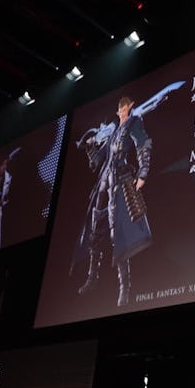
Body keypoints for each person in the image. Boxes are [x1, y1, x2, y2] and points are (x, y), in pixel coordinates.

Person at [72, 96, 153, 307]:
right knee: (94, 231)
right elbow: (98, 161)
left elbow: (143, 143)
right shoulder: (115, 131)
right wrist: (89, 146)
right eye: (120, 110)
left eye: (126, 108)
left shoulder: (134, 124)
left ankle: (124, 288)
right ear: (118, 112)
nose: (123, 112)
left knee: (119, 234)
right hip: (103, 185)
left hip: (120, 183)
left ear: (130, 108)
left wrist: (143, 172)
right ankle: (92, 277)